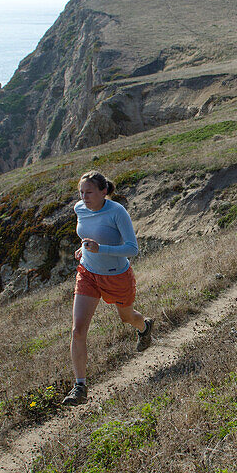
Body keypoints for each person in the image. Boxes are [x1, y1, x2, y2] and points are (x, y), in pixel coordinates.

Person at [62, 171, 154, 406]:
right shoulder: (79, 208)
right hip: (88, 274)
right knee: (78, 330)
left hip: (116, 276)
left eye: (89, 192)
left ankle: (144, 327)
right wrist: (84, 249)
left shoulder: (116, 212)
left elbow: (132, 249)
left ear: (104, 191)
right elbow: (87, 234)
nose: (84, 197)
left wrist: (99, 248)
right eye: (81, 193)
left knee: (128, 318)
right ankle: (79, 387)